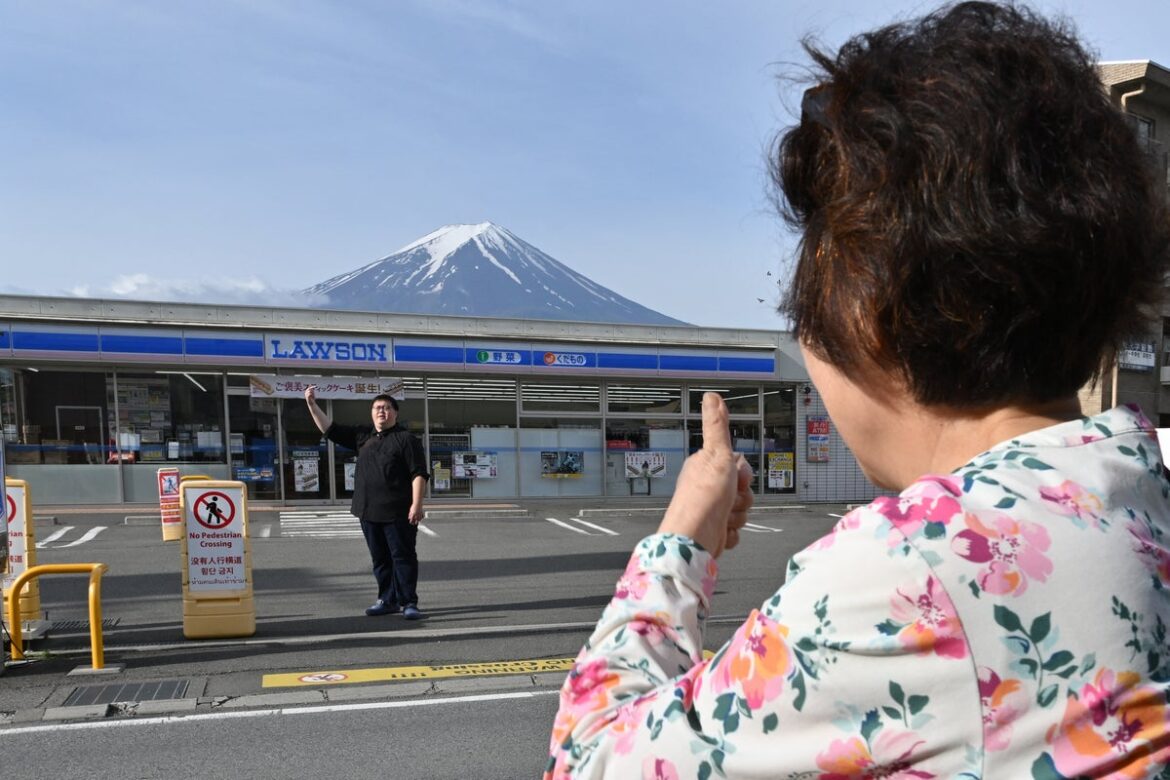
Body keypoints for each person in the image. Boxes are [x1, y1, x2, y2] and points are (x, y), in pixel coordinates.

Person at [546, 3, 1170, 777]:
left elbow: (592, 759)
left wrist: (684, 535)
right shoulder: (1140, 500)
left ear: (865, 309)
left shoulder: (917, 571)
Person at [304, 387, 429, 619]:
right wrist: (312, 405)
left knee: (403, 557)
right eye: (377, 408)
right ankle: (386, 599)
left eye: (387, 408)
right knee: (380, 559)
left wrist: (416, 505)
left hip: (399, 512)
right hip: (368, 510)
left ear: (395, 413)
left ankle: (409, 602)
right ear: (372, 413)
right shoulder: (363, 436)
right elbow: (328, 429)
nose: (382, 411)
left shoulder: (407, 440)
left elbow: (418, 474)